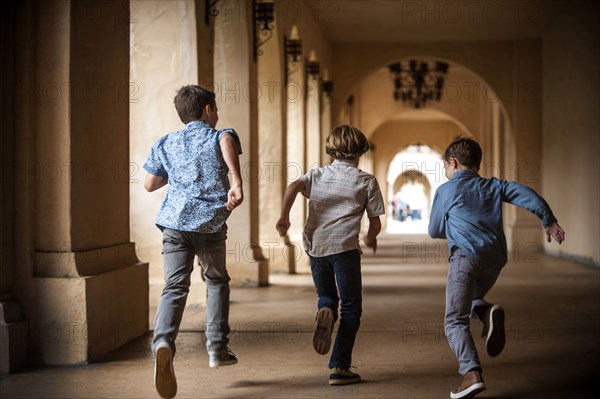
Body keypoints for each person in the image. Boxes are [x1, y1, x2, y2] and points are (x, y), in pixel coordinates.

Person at [428, 136, 565, 399]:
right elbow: (527, 194)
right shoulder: (494, 185)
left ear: (453, 163)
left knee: (454, 320)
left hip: (464, 260)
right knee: (471, 299)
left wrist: (455, 225)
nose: (445, 171)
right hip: (494, 261)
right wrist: (547, 219)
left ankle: (471, 375)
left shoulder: (446, 191)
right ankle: (486, 310)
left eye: (445, 166)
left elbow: (434, 230)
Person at [143, 85, 243, 399]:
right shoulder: (220, 134)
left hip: (174, 224)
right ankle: (216, 347)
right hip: (210, 224)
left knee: (174, 286)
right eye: (216, 108)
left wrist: (179, 170)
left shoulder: (166, 141)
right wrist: (236, 181)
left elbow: (150, 184)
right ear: (209, 109)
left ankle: (163, 342)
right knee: (215, 280)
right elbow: (226, 139)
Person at [276, 124, 385, 385]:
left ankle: (325, 309)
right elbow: (375, 222)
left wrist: (283, 217)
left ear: (331, 149)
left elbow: (293, 185)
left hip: (316, 247)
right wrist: (370, 238)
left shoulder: (317, 175)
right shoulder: (366, 180)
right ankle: (339, 367)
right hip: (345, 249)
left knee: (326, 296)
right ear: (360, 150)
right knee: (351, 308)